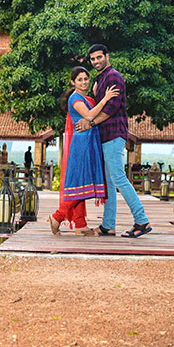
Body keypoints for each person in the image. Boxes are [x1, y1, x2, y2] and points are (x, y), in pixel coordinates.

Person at [76, 44, 152, 238]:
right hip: (105, 136)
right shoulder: (100, 79)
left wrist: (90, 123)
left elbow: (111, 109)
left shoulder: (113, 77)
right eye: (93, 59)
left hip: (114, 134)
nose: (96, 62)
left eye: (99, 57)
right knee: (109, 183)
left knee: (118, 178)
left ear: (107, 56)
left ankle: (141, 220)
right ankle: (108, 226)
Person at [49, 66, 118, 236]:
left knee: (83, 184)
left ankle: (80, 223)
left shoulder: (86, 98)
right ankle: (57, 217)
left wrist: (96, 95)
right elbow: (89, 116)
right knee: (79, 182)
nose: (84, 82)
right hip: (81, 145)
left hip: (90, 142)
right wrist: (105, 98)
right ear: (73, 82)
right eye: (79, 79)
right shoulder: (75, 99)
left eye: (86, 79)